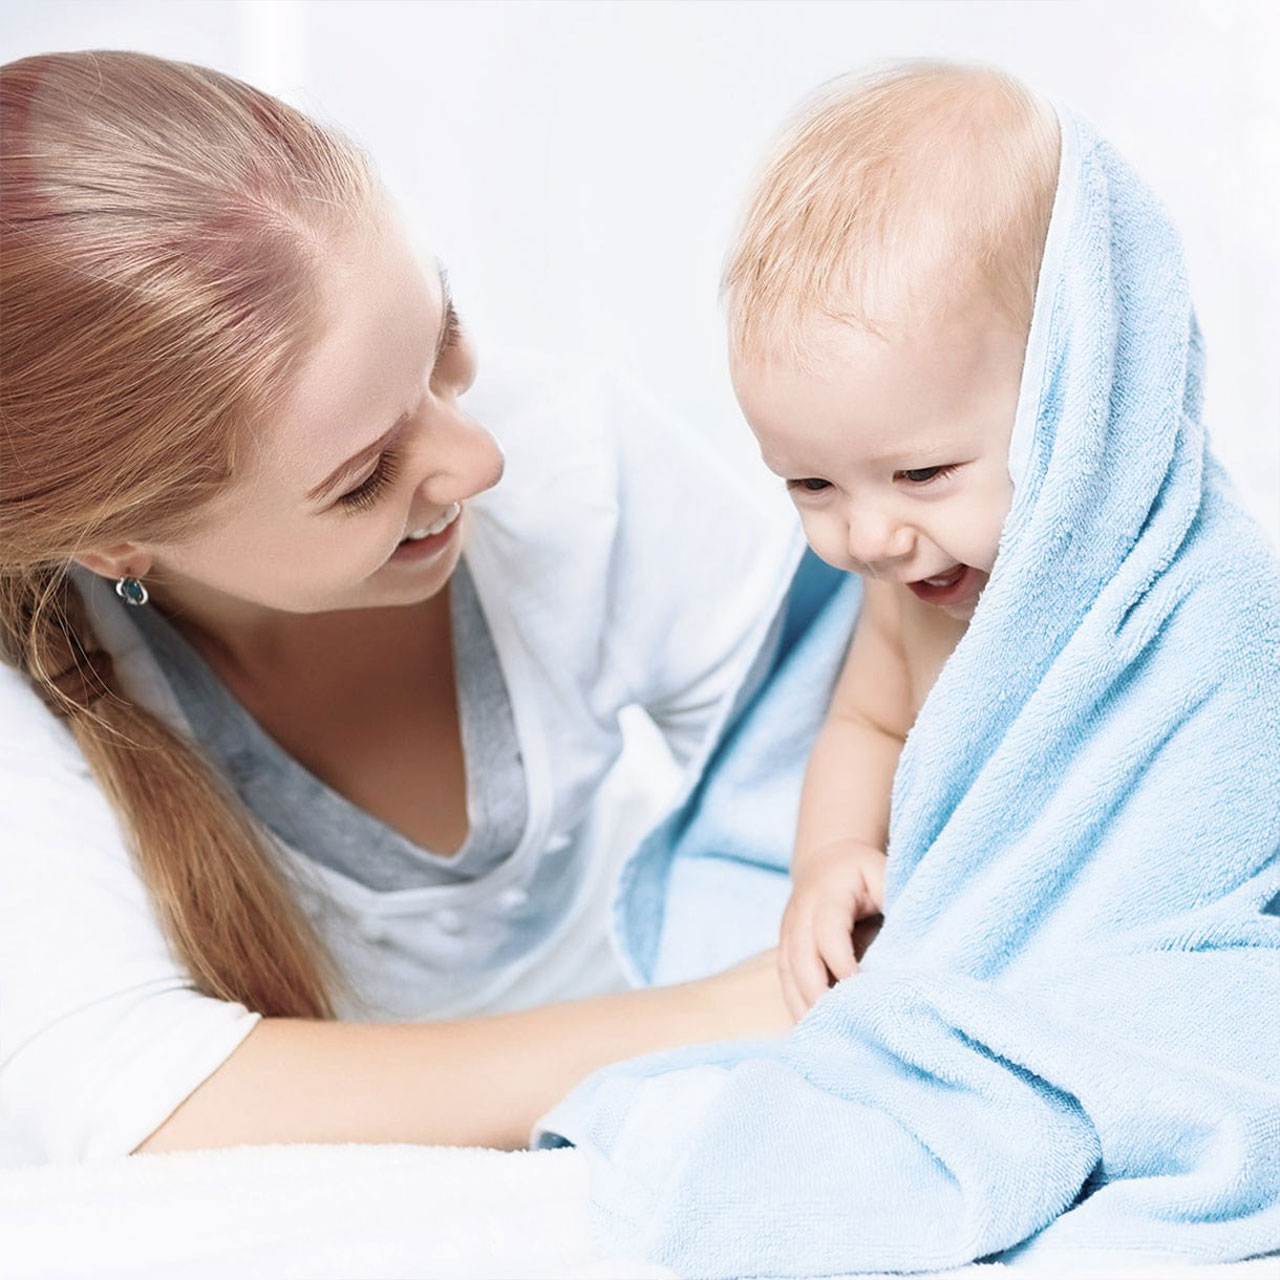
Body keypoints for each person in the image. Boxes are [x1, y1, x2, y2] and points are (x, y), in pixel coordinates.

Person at [0, 49, 803, 1167]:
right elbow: (128, 1095)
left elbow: (850, 747)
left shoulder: (572, 459)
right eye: (364, 477)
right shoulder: (32, 692)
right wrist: (719, 1017)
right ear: (118, 541)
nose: (475, 458)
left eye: (444, 342)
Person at [720, 63, 1061, 1017]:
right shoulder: (905, 580)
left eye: (921, 475)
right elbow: (869, 723)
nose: (868, 535)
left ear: (1062, 402)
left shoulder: (1165, 591)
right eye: (811, 484)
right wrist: (829, 859)